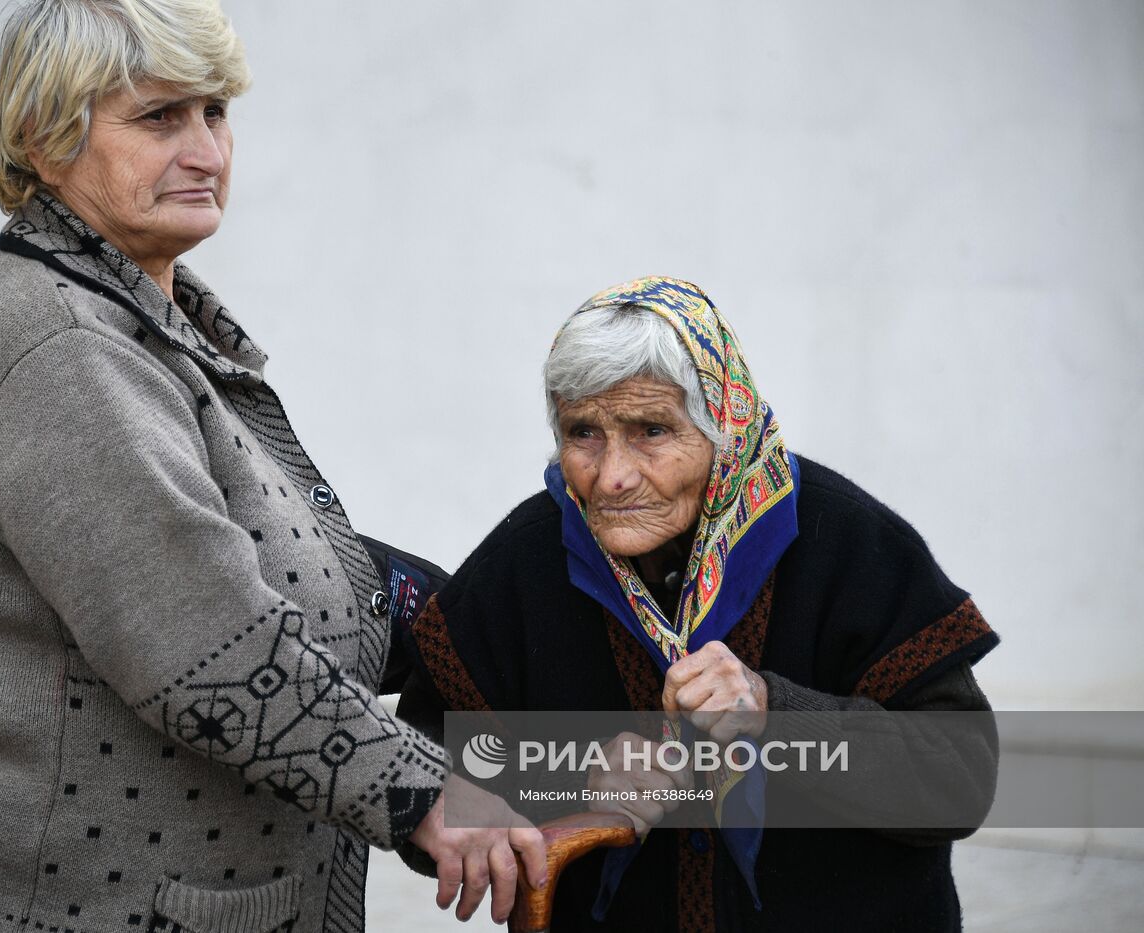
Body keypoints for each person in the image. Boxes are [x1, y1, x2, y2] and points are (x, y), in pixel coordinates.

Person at [0, 3, 544, 932]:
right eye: (158, 118)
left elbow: (264, 557)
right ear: (43, 139)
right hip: (46, 905)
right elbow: (205, 653)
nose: (208, 152)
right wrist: (427, 796)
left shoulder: (133, 317)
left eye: (215, 112)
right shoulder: (63, 352)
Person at [398, 276, 999, 931]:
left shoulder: (844, 540)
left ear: (725, 427)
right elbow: (417, 765)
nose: (612, 475)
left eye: (652, 429)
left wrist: (775, 714)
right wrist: (566, 773)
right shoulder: (528, 556)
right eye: (583, 433)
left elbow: (959, 777)